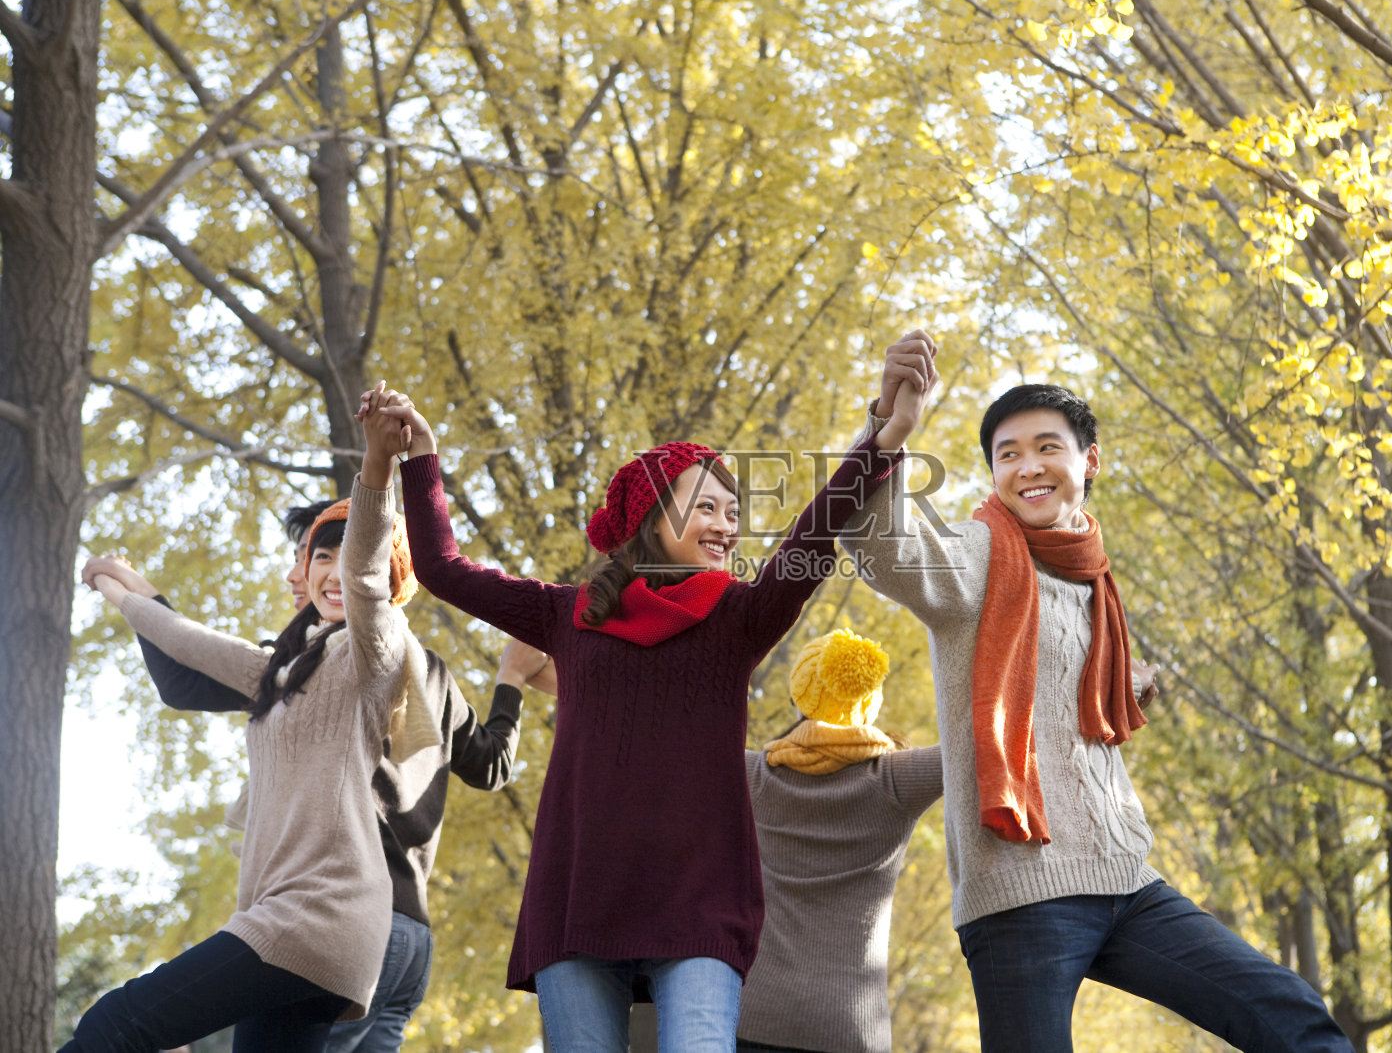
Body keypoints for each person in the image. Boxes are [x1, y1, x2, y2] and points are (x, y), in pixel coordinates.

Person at [361, 340, 935, 1053]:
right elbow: (444, 569)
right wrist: (420, 457)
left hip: (700, 905)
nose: (728, 524)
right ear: (651, 518)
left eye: (734, 510)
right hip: (579, 900)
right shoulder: (563, 613)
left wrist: (885, 437)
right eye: (707, 506)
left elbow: (813, 536)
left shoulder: (740, 618)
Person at [838, 366, 1355, 1053]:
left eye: (1047, 446)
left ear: (1090, 460)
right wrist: (886, 429)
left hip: (1123, 875)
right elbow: (879, 544)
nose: (1028, 467)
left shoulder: (1093, 580)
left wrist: (1126, 688)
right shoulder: (978, 553)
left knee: (1286, 1010)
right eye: (1008, 454)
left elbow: (1062, 716)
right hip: (1020, 892)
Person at [64, 392, 442, 1053]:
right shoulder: (281, 668)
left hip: (314, 915)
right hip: (296, 923)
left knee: (111, 1026)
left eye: (345, 559)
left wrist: (379, 462)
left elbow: (363, 568)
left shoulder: (373, 650)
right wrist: (117, 586)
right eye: (318, 556)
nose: (332, 570)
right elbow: (190, 644)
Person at [114, 495, 554, 1053]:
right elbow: (493, 766)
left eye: (314, 554)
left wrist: (136, 592)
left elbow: (185, 681)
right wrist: (510, 680)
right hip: (412, 939)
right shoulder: (430, 671)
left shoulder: (315, 669)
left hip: (337, 920)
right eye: (309, 558)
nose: (299, 573)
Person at [737, 628, 943, 1053]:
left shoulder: (752, 775)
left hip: (757, 1014)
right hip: (852, 1027)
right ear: (869, 703)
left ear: (798, 696)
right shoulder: (895, 782)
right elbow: (983, 743)